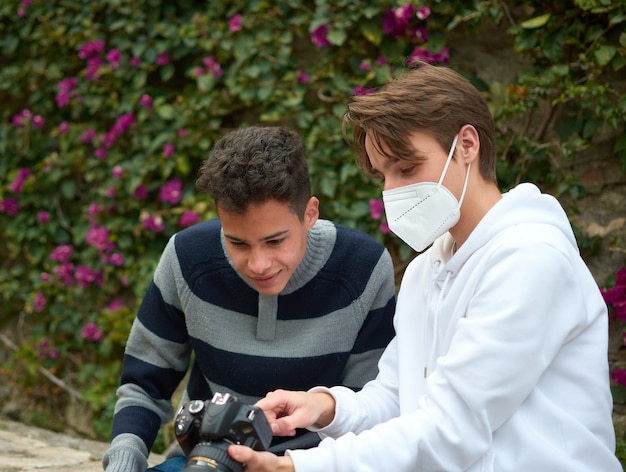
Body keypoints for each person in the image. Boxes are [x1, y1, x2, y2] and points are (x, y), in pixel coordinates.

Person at [227, 64, 622, 471]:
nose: (392, 191)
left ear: (467, 144)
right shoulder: (425, 271)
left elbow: (452, 428)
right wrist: (326, 406)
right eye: (384, 175)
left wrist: (298, 466)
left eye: (408, 168)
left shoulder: (531, 259)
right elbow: (401, 397)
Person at [101, 126, 397, 472]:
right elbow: (144, 385)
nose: (258, 265)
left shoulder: (363, 268)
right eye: (237, 242)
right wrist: (123, 462)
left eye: (275, 242)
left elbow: (368, 408)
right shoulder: (187, 257)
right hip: (204, 462)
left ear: (310, 214)